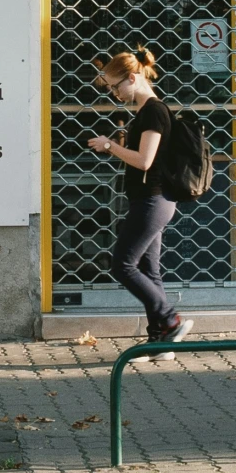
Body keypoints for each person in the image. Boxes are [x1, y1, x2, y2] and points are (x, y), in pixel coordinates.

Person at [86, 47, 191, 348]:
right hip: (151, 200)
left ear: (132, 78)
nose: (114, 94)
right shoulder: (146, 112)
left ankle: (170, 319)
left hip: (153, 201)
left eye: (116, 87)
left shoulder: (153, 111)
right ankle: (161, 342)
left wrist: (110, 147)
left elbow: (145, 161)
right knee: (149, 271)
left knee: (123, 265)